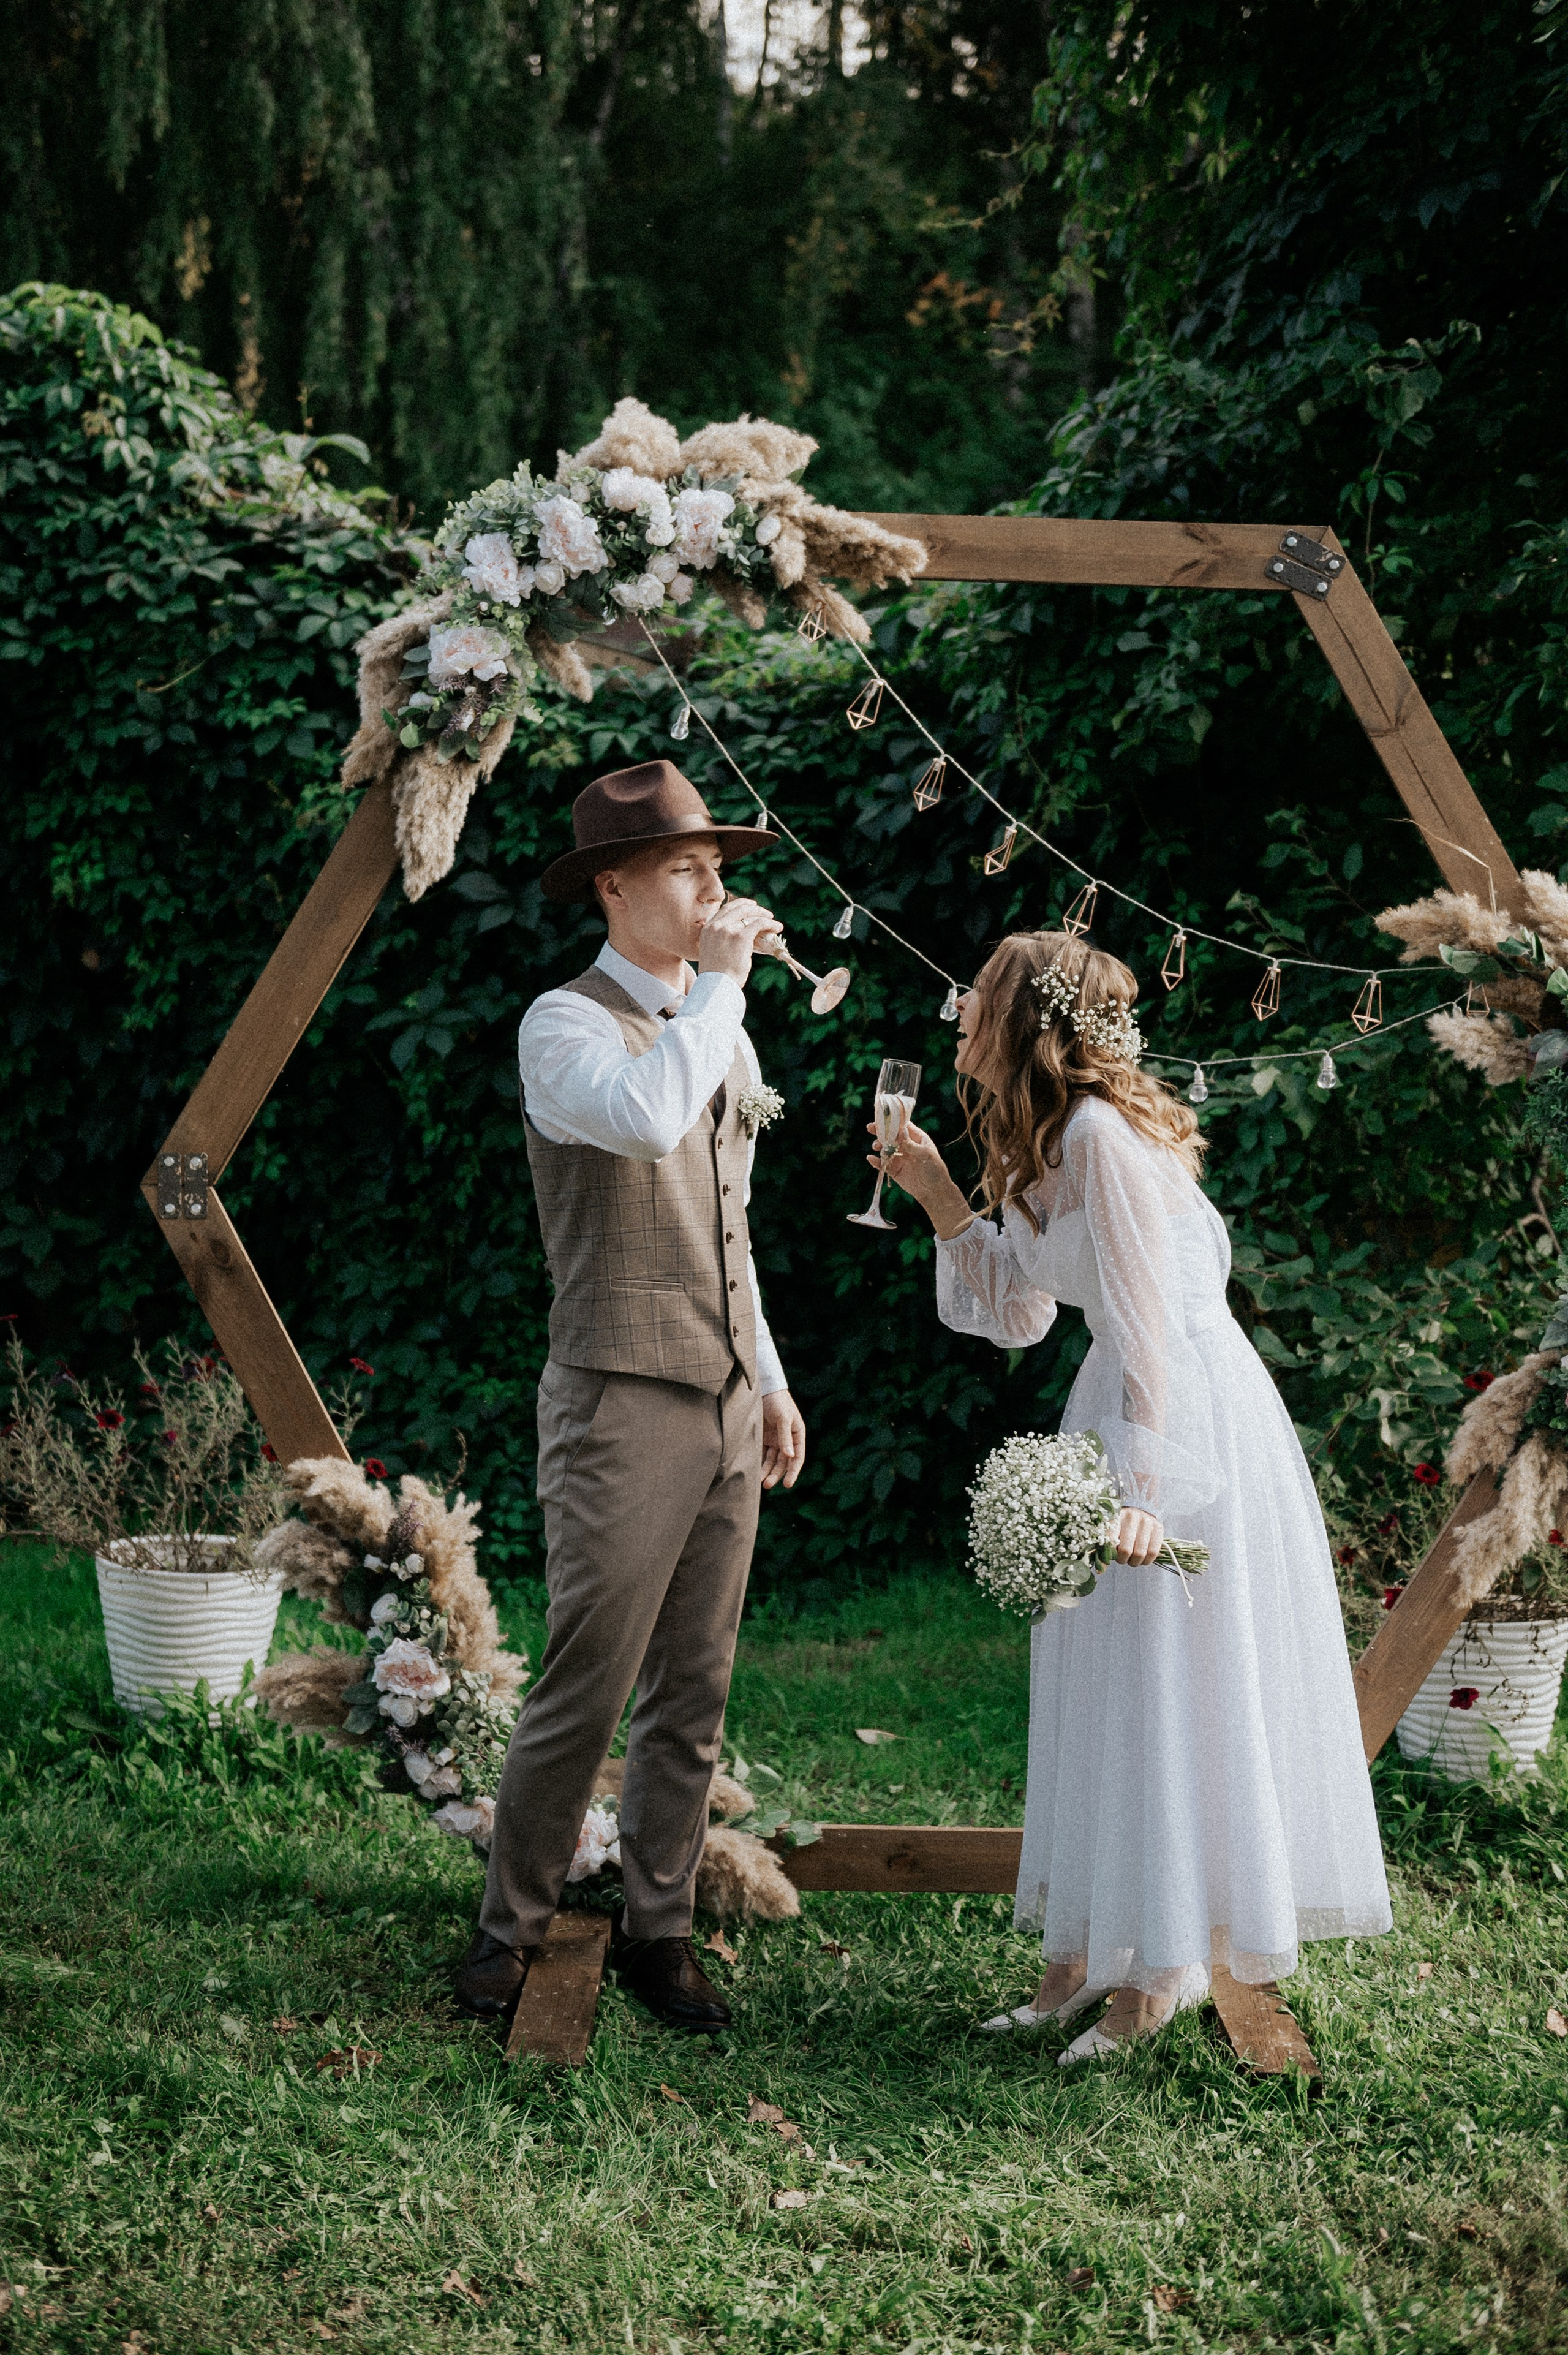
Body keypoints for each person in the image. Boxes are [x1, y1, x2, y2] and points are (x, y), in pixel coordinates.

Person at [878, 930, 1390, 2062]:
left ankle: (1157, 1975)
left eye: (981, 996)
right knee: (1109, 1680)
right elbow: (1019, 1316)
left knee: (1169, 1679)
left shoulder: (1103, 1136)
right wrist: (937, 1196)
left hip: (1178, 1410)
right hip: (1118, 1394)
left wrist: (1146, 1486)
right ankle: (1082, 1963)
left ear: (1028, 1023)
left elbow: (1154, 1320)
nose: (960, 1006)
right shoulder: (1040, 1141)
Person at [454, 760, 807, 2032]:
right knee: (586, 1677)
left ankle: (660, 1926)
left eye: (717, 864)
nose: (714, 885)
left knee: (695, 1681)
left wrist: (764, 1376)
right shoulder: (561, 1024)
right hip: (616, 1398)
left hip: (719, 1396)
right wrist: (717, 982)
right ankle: (512, 1925)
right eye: (683, 866)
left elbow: (732, 1225)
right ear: (611, 885)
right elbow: (652, 1124)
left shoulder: (725, 1023)